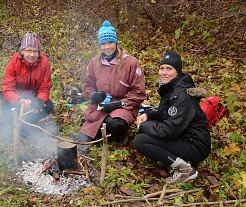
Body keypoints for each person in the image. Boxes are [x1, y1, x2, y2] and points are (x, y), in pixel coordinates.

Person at [133, 51, 211, 184]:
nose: (164, 72)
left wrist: (145, 126)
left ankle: (186, 170)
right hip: (184, 136)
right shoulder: (172, 87)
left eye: (169, 69)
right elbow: (165, 112)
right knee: (146, 128)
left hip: (195, 145)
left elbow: (170, 130)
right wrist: (148, 114)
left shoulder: (182, 95)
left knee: (141, 141)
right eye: (162, 68)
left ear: (178, 72)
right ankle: (170, 157)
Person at [78, 20, 146, 152]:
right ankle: (102, 132)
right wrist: (94, 95)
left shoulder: (131, 63)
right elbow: (88, 86)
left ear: (116, 42)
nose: (107, 47)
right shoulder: (94, 63)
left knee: (114, 124)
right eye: (103, 44)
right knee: (84, 135)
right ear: (99, 45)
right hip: (102, 106)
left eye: (110, 42)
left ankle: (120, 134)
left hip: (125, 106)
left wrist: (118, 104)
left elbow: (138, 92)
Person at [1, 32, 53, 124]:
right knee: (6, 103)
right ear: (22, 51)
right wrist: (19, 100)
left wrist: (39, 101)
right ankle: (11, 123)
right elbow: (7, 89)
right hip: (18, 97)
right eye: (29, 50)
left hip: (33, 97)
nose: (32, 55)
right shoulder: (14, 63)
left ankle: (30, 123)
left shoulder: (44, 63)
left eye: (35, 51)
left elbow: (44, 88)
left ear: (38, 52)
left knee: (48, 106)